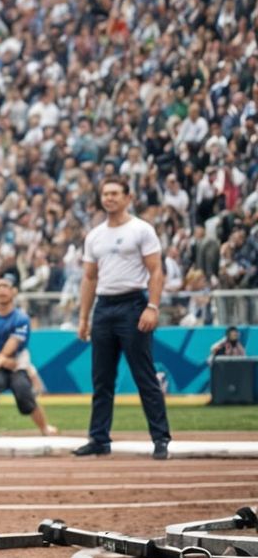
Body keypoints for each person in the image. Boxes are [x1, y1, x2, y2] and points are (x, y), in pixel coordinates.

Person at [74, 177, 171, 459]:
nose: (110, 198)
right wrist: (83, 317)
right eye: (105, 193)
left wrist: (152, 306)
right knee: (101, 378)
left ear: (128, 198)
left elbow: (155, 270)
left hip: (133, 304)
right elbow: (89, 277)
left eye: (115, 193)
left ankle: (160, 438)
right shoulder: (94, 235)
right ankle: (99, 438)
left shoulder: (141, 230)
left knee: (144, 375)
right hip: (104, 307)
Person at [0, 276, 60, 437]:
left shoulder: (21, 318)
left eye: (5, 286)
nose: (1, 290)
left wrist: (3, 358)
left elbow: (14, 343)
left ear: (13, 292)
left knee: (24, 392)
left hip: (18, 366)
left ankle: (44, 428)